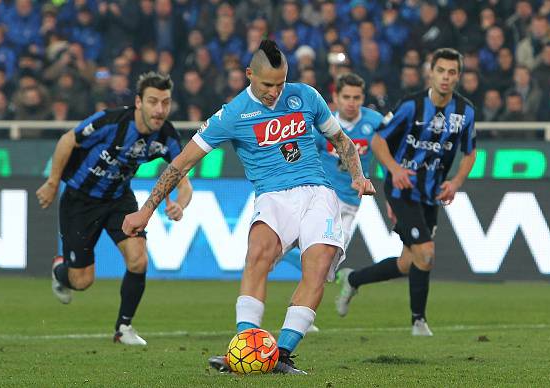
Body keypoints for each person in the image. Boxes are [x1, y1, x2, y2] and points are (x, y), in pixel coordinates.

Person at [122, 40, 374, 374]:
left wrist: (358, 176)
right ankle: (244, 347)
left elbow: (341, 141)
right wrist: (145, 211)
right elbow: (179, 165)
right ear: (249, 74)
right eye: (267, 84)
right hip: (272, 196)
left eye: (280, 83)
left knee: (318, 267)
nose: (274, 92)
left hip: (318, 192)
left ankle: (281, 356)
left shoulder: (307, 96)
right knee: (257, 256)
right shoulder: (232, 114)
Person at [36, 72, 192, 345]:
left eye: (165, 103)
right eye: (153, 101)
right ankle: (61, 270)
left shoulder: (167, 136)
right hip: (80, 201)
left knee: (138, 260)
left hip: (119, 200)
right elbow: (67, 140)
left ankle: (124, 329)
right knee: (82, 281)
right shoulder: (111, 122)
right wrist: (52, 182)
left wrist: (180, 203)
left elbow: (184, 181)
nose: (159, 110)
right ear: (138, 102)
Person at [335, 48, 477, 337]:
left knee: (408, 262)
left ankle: (354, 279)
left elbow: (470, 152)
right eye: (441, 71)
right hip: (402, 190)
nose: (446, 77)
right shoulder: (412, 106)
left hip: (430, 194)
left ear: (458, 76)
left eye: (452, 72)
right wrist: (395, 170)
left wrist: (456, 181)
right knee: (426, 253)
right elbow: (378, 141)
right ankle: (418, 322)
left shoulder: (465, 112)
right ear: (431, 72)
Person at [285, 72, 387, 333]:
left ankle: (293, 257)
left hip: (351, 204)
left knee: (328, 267)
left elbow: (390, 151)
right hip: (323, 198)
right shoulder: (324, 124)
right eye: (346, 97)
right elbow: (303, 151)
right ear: (336, 98)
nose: (351, 102)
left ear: (363, 98)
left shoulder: (375, 123)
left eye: (357, 97)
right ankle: (302, 318)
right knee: (319, 264)